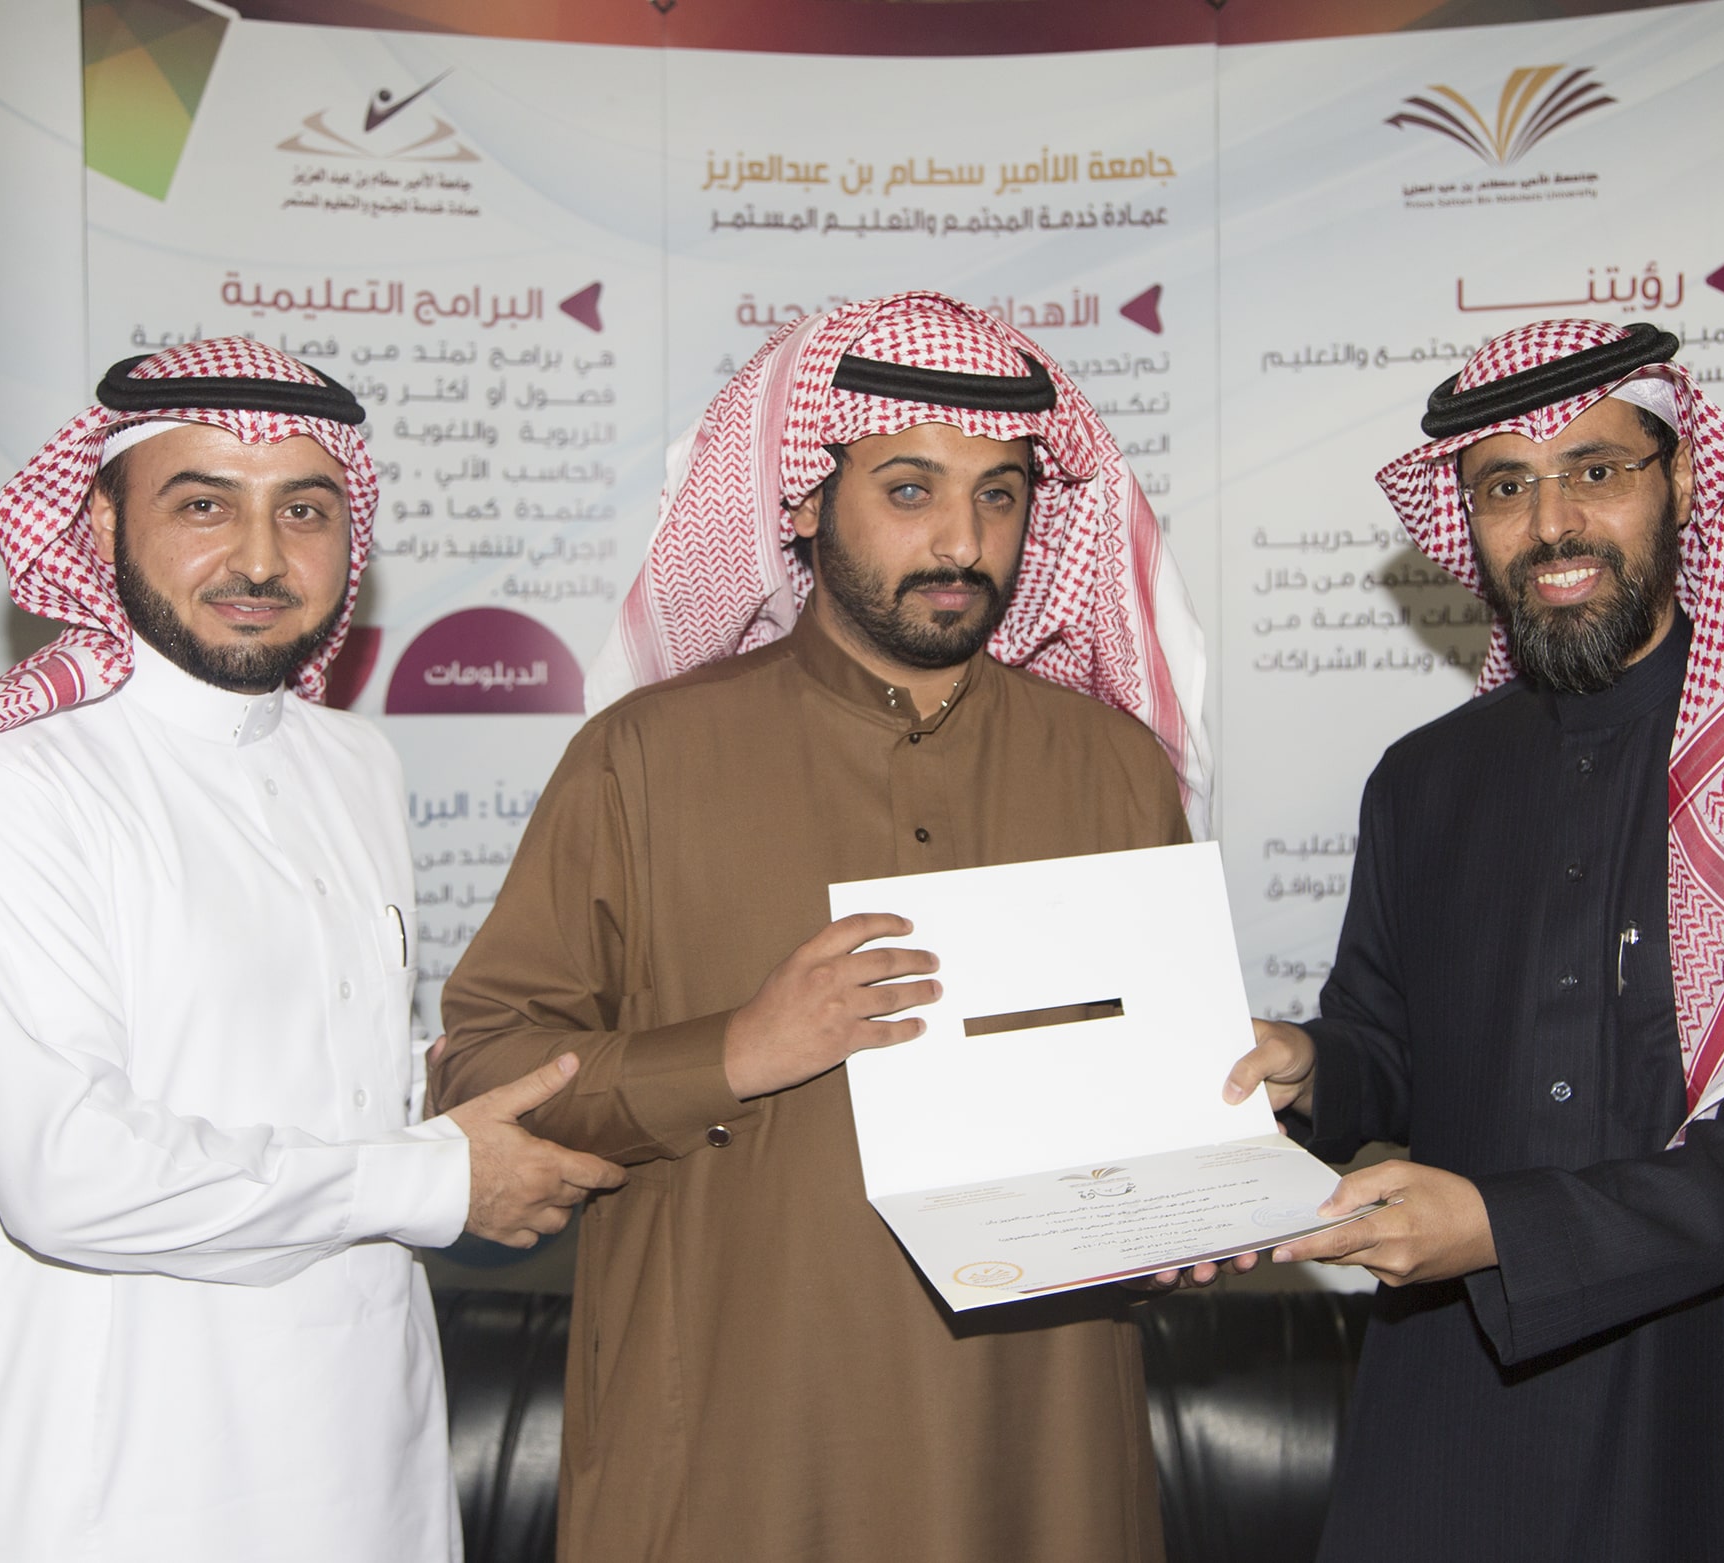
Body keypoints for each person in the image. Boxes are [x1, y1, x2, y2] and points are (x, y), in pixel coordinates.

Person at [428, 291, 1210, 1562]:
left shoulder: (1113, 769)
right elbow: (479, 1073)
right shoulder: (643, 759)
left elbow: (1161, 1095)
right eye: (909, 491)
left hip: (1037, 1449)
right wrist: (731, 1053)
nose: (963, 542)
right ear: (800, 500)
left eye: (1001, 496)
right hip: (736, 1453)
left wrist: (1193, 1190)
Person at [0, 339, 624, 1560]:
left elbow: (324, 1085)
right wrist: (437, 1180)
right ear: (100, 523)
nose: (258, 559)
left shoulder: (354, 764)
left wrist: (510, 1096)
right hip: (107, 1478)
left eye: (304, 511)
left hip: (364, 1452)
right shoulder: (12, 790)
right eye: (203, 506)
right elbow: (68, 1174)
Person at [1222, 318, 1724, 1560]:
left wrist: (1502, 1230)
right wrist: (1314, 1068)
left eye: (1596, 470)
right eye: (1505, 487)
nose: (1552, 524)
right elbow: (1390, 1045)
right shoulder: (1424, 782)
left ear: (1681, 478)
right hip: (1466, 1401)